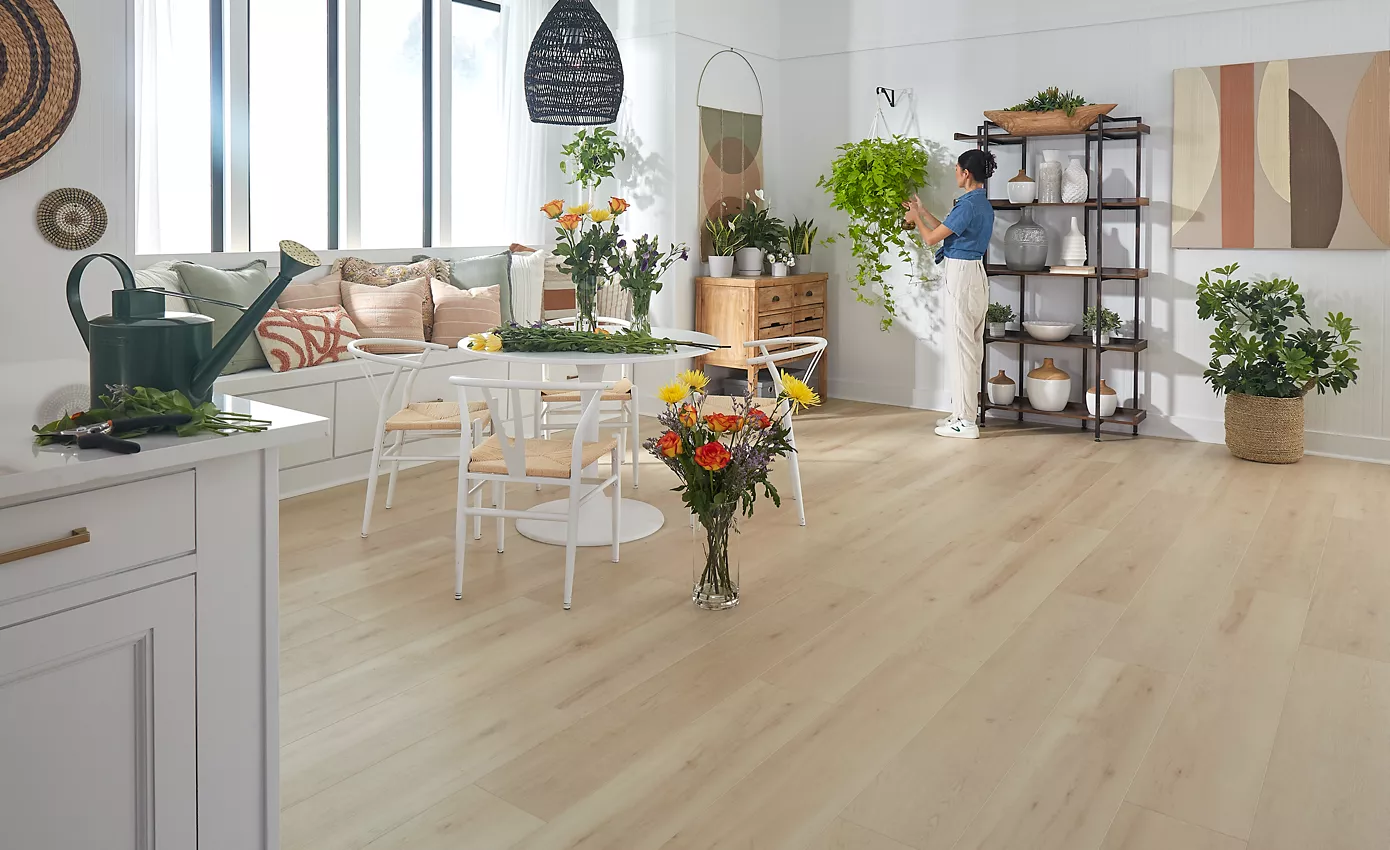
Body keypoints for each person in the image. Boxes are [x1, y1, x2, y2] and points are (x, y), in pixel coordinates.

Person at [904, 149, 997, 439]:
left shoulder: (968, 205)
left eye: (957, 169)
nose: (955, 173)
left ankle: (966, 421)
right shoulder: (977, 203)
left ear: (965, 173)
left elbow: (932, 238)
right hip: (974, 274)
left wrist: (914, 219)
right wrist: (922, 211)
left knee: (963, 350)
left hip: (962, 276)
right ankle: (963, 413)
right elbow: (948, 230)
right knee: (969, 348)